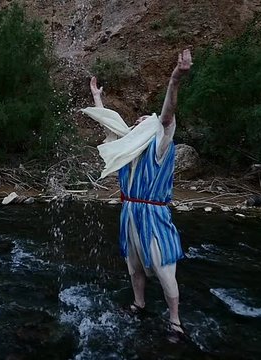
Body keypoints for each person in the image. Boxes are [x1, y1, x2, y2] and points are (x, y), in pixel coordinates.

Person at [82, 49, 192, 338]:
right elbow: (110, 122)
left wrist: (175, 79)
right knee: (133, 266)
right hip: (130, 212)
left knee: (164, 268)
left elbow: (167, 115)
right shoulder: (128, 152)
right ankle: (139, 304)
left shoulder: (159, 146)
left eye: (146, 120)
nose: (140, 120)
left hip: (153, 214)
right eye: (139, 120)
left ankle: (175, 321)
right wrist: (97, 97)